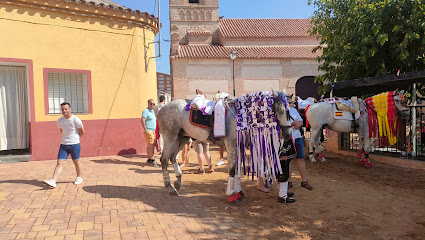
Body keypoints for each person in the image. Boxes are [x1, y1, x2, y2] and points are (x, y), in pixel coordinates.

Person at [43, 102, 85, 188]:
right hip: (64, 145)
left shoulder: (76, 120)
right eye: (62, 109)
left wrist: (75, 139)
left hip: (74, 144)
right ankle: (53, 181)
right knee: (59, 162)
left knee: (76, 161)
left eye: (66, 109)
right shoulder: (60, 121)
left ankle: (79, 177)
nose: (64, 111)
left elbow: (82, 132)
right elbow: (62, 131)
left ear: (70, 109)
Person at [288, 100, 313, 190]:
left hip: (297, 137)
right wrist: (291, 124)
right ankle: (289, 181)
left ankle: (304, 180)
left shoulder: (293, 110)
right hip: (288, 138)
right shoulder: (280, 112)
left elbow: (301, 121)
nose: (289, 102)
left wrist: (298, 125)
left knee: (301, 159)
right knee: (289, 160)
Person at [141, 99, 159, 167]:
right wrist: (146, 130)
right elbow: (142, 120)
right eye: (151, 103)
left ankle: (149, 159)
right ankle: (153, 160)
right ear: (148, 104)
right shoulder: (146, 111)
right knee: (151, 145)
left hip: (153, 131)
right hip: (149, 130)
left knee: (150, 145)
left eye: (153, 104)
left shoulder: (153, 111)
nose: (152, 105)